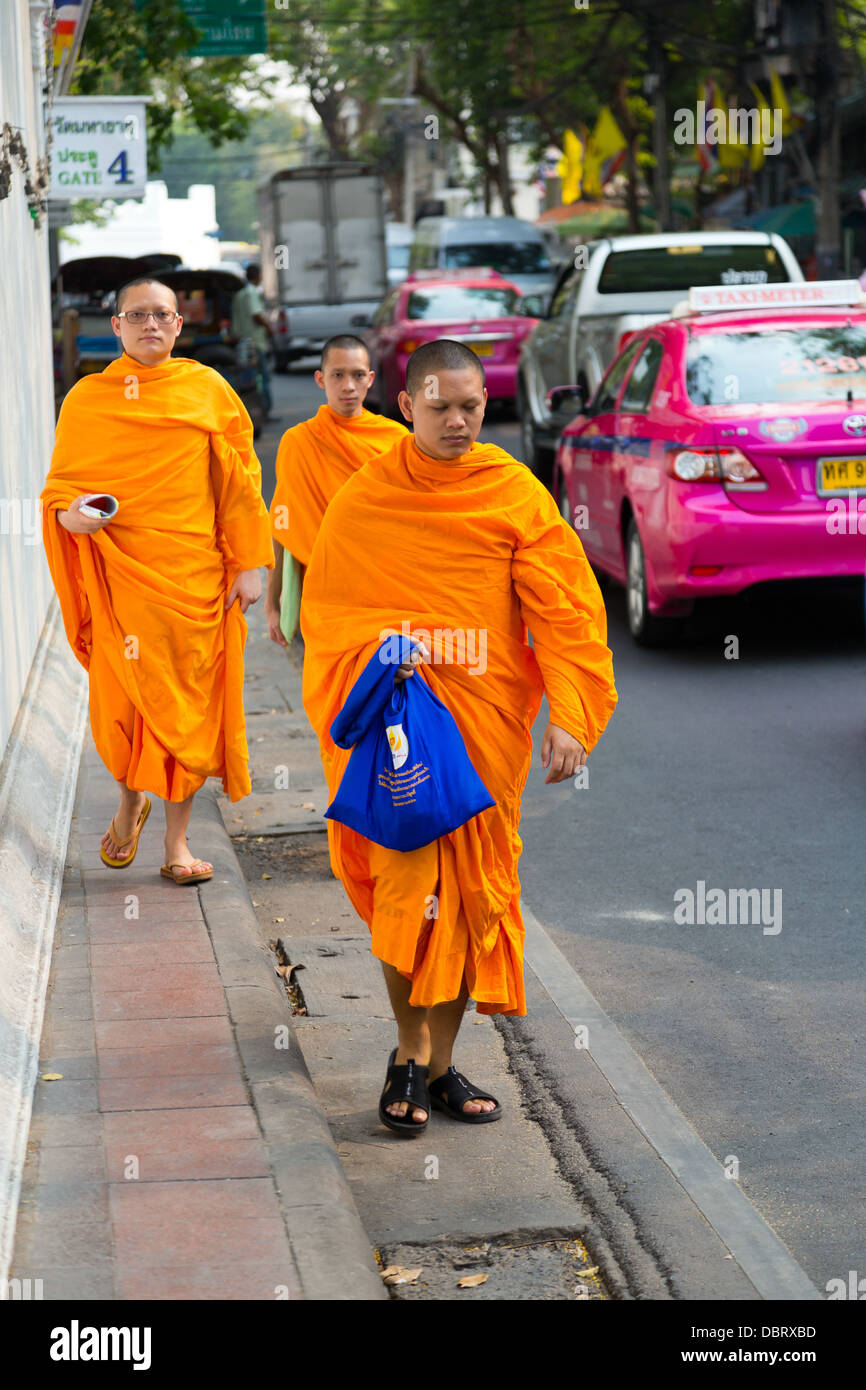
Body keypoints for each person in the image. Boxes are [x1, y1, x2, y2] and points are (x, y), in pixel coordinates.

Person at [301, 338, 618, 1132]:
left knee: (471, 898)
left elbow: (565, 612)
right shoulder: (366, 497)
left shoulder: (513, 491)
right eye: (438, 406)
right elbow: (330, 620)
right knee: (410, 890)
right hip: (398, 736)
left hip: (484, 731)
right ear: (404, 406)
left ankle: (440, 1069)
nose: (456, 421)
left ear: (488, 403)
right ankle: (405, 1053)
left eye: (470, 406)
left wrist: (570, 717)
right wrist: (387, 666)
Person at [41, 276, 274, 883]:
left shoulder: (207, 389)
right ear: (115, 325)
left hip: (193, 576)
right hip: (122, 575)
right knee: (125, 702)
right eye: (137, 314)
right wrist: (74, 517)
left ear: (179, 325)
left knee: (190, 707)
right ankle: (129, 797)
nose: (151, 324)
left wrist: (250, 564)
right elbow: (61, 492)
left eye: (163, 315)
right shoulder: (88, 400)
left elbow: (240, 481)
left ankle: (177, 844)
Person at [265, 335, 408, 649]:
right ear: (320, 379)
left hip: (386, 591)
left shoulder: (395, 441)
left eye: (358, 375)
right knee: (332, 690)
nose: (348, 386)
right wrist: (272, 601)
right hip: (323, 592)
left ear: (370, 379)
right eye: (337, 375)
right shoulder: (299, 441)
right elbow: (283, 524)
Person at [231, 262, 275, 420]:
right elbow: (256, 315)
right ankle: (264, 411)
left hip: (243, 343)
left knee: (249, 378)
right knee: (261, 378)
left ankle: (254, 410)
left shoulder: (239, 294)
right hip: (256, 342)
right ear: (257, 276)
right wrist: (269, 328)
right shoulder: (252, 293)